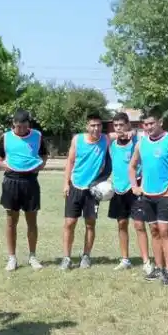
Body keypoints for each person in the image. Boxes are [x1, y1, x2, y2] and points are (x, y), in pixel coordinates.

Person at [128, 106, 168, 285]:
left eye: (152, 123)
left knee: (165, 231)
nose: (148, 127)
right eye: (145, 124)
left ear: (160, 122)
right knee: (154, 231)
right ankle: (158, 267)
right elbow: (132, 166)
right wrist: (135, 186)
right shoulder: (141, 143)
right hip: (147, 194)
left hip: (166, 193)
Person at [0, 109, 47, 271]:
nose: (21, 130)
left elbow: (44, 155)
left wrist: (41, 165)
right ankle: (12, 258)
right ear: (13, 124)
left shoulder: (37, 136)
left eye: (24, 127)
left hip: (30, 181)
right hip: (11, 181)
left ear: (28, 125)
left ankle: (32, 256)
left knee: (32, 221)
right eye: (18, 127)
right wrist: (5, 165)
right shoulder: (5, 137)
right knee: (11, 221)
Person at [61, 112, 108, 269]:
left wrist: (131, 131)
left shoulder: (105, 140)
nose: (96, 128)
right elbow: (70, 161)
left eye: (99, 125)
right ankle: (66, 258)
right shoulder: (78, 139)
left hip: (92, 190)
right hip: (75, 186)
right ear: (87, 126)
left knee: (90, 224)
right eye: (93, 125)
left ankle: (86, 256)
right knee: (69, 223)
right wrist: (66, 183)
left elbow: (121, 133)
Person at [107, 112, 151, 272]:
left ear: (128, 125)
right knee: (121, 224)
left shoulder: (137, 142)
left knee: (139, 224)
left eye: (122, 125)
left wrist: (133, 133)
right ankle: (125, 259)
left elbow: (143, 135)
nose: (119, 128)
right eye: (116, 125)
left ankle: (146, 261)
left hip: (135, 188)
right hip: (118, 190)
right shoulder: (112, 144)